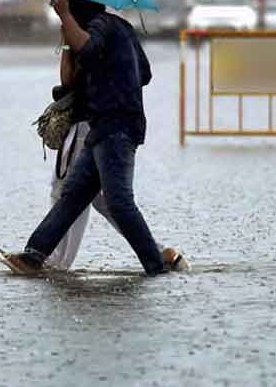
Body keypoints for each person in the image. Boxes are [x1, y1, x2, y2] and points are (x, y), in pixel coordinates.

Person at [1, 0, 186, 276]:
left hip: (116, 127)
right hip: (103, 127)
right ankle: (33, 256)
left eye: (68, 7)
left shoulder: (102, 27)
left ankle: (156, 263)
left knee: (118, 201)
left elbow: (87, 50)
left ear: (77, 8)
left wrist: (64, 16)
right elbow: (144, 73)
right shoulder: (120, 28)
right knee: (73, 195)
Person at [45, 34, 188, 272]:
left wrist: (68, 40)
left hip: (88, 125)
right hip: (100, 125)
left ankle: (56, 260)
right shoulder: (111, 33)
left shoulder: (89, 35)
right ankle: (159, 252)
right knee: (101, 199)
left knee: (68, 192)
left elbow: (69, 80)